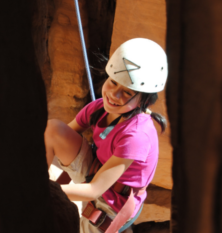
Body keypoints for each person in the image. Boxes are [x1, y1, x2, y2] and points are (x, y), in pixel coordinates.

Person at [45, 38, 168, 233]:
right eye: (113, 82)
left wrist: (42, 192)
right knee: (53, 129)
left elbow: (94, 190)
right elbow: (57, 137)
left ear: (144, 101)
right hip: (96, 170)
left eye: (127, 93)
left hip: (112, 203)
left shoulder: (136, 136)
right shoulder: (100, 108)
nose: (113, 95)